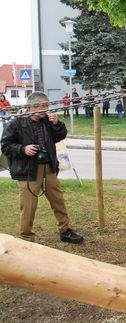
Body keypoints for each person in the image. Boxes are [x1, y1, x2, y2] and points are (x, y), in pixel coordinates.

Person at [1, 92, 83, 244]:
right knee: (28, 205)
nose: (47, 108)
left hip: (49, 167)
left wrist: (57, 124)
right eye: (44, 105)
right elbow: (5, 146)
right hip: (28, 170)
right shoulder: (16, 123)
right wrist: (22, 149)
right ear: (33, 106)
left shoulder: (47, 121)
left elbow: (60, 136)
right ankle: (26, 237)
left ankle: (65, 231)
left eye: (47, 105)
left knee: (58, 200)